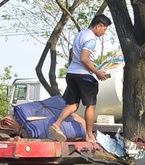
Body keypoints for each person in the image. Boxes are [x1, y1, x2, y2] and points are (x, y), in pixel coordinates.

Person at [48, 14, 112, 143]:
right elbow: (84, 58)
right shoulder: (91, 39)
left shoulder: (80, 35)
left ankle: (56, 124)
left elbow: (73, 55)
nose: (104, 32)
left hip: (71, 74)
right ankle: (89, 135)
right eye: (104, 29)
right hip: (84, 77)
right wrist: (97, 73)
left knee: (73, 104)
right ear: (98, 26)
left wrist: (93, 67)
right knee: (91, 105)